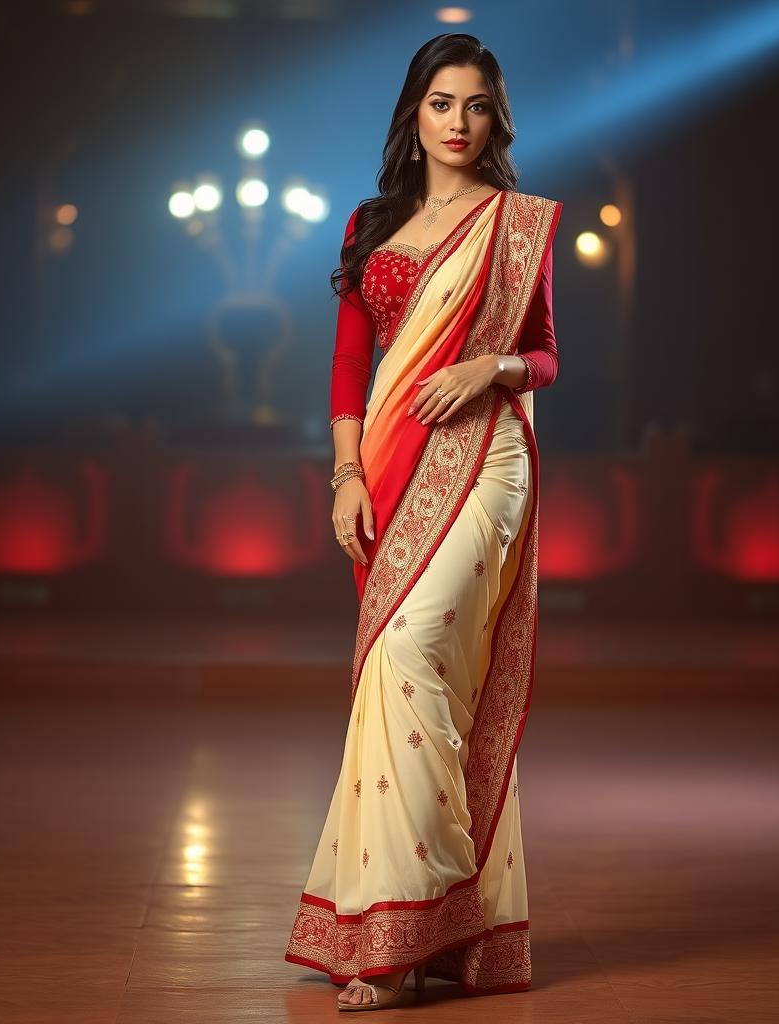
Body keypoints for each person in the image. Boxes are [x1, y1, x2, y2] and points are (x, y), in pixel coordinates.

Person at [284, 32, 562, 1011]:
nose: (457, 122)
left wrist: (489, 368)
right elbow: (346, 362)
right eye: (441, 103)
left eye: (475, 105)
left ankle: (409, 929)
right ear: (415, 113)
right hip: (389, 471)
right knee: (414, 681)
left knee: (412, 652)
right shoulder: (370, 222)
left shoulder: (517, 225)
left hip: (486, 461)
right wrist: (343, 475)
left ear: (496, 118)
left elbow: (545, 358)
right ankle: (430, 926)